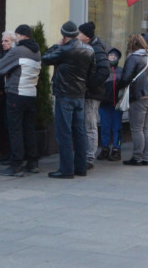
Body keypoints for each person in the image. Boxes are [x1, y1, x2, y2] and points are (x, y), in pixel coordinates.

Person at [41, 21, 95, 178]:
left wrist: (56, 45)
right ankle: (80, 167)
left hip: (64, 95)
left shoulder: (64, 49)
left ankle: (66, 169)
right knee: (79, 132)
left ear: (64, 36)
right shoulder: (89, 50)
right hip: (79, 95)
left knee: (64, 132)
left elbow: (45, 58)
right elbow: (92, 72)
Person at [0, 24, 41, 176]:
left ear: (21, 35)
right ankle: (33, 162)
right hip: (31, 94)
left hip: (16, 93)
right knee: (29, 129)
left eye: (16, 35)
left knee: (15, 130)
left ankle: (16, 165)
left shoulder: (18, 50)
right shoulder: (37, 51)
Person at [120, 34, 148, 165]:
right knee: (146, 127)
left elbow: (125, 78)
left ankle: (138, 157)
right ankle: (146, 157)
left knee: (137, 128)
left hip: (140, 96)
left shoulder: (133, 58)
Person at [79, 22, 111, 169]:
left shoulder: (96, 49)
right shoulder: (89, 47)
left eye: (80, 33)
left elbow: (104, 71)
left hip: (92, 94)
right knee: (87, 124)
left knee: (90, 125)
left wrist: (89, 85)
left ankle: (89, 157)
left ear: (86, 36)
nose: (77, 35)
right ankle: (86, 155)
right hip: (89, 92)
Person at [99, 48, 123, 160]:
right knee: (105, 127)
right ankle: (105, 148)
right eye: (110, 56)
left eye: (115, 56)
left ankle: (116, 148)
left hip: (117, 104)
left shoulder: (121, 71)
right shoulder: (104, 71)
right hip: (104, 103)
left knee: (117, 127)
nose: (112, 58)